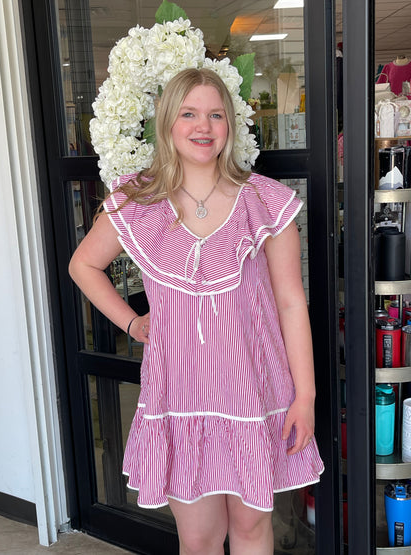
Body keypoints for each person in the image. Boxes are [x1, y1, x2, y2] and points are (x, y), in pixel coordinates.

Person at [69, 67, 324, 555]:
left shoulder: (264, 201)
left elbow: (292, 303)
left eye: (215, 114)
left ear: (230, 125)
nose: (203, 126)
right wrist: (131, 321)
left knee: (251, 530)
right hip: (181, 397)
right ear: (168, 123)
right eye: (189, 114)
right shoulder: (138, 201)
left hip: (255, 391)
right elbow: (83, 264)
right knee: (201, 539)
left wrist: (305, 396)